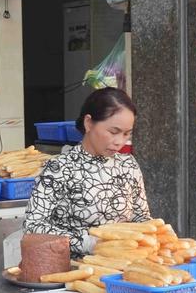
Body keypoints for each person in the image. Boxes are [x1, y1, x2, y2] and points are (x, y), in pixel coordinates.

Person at [23, 87, 151, 257]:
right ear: (89, 123)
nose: (120, 141)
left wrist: (154, 236)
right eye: (113, 132)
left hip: (123, 268)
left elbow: (141, 217)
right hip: (73, 270)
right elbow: (33, 226)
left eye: (127, 134)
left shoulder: (128, 165)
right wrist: (86, 243)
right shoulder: (59, 168)